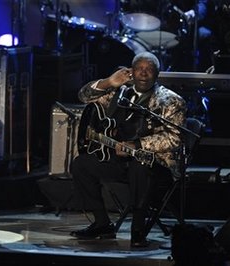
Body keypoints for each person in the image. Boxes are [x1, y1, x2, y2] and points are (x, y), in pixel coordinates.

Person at [69, 52, 187, 247]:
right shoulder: (119, 93)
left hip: (155, 166)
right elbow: (83, 96)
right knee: (82, 164)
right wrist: (108, 82)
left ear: (157, 74)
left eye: (149, 70)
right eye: (139, 69)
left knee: (139, 167)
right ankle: (102, 223)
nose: (143, 74)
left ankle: (138, 229)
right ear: (131, 72)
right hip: (120, 161)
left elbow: (175, 138)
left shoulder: (171, 101)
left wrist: (139, 145)